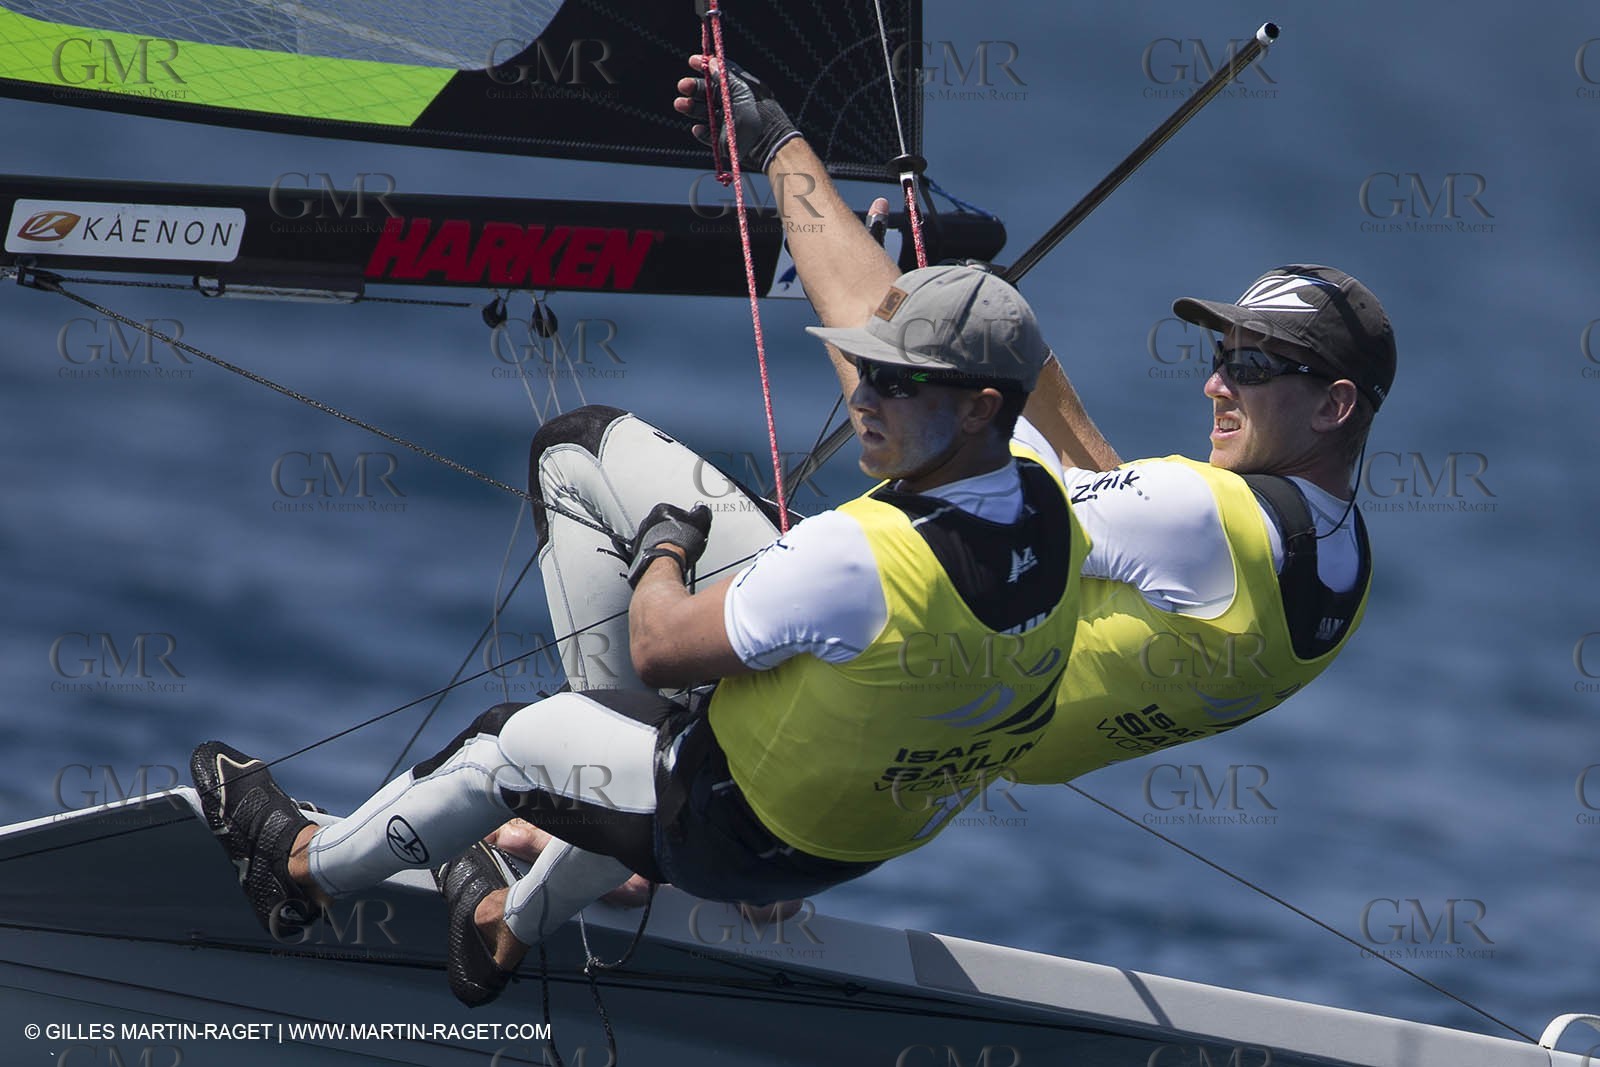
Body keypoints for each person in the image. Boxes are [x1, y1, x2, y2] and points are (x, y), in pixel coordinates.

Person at [191, 257, 1088, 1006]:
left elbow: (658, 645)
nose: (865, 396)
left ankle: (302, 870)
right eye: (865, 367)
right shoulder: (1052, 504)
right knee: (622, 705)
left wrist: (663, 546)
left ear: (977, 406)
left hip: (733, 833)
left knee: (510, 742)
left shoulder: (856, 555)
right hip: (865, 834)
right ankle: (500, 929)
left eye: (897, 380)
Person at [676, 55, 1393, 788]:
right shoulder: (1348, 570)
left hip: (869, 719)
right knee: (939, 381)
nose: (1213, 385)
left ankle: (774, 144)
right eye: (1221, 356)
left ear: (1334, 405)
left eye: (1249, 369)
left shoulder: (1204, 512)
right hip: (936, 776)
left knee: (897, 396)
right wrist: (978, 316)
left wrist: (928, 317)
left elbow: (993, 506)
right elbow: (1123, 515)